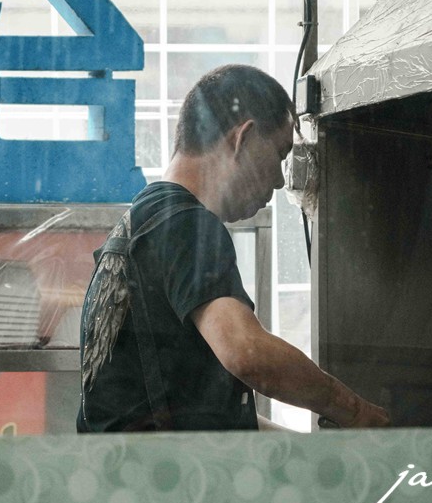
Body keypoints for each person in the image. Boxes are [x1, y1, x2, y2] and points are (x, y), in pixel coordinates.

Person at [78, 65, 389, 432]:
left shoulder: (144, 221)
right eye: (279, 154)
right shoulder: (185, 222)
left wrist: (307, 454)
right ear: (244, 138)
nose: (277, 180)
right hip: (158, 483)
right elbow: (246, 352)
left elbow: (206, 418)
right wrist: (353, 411)